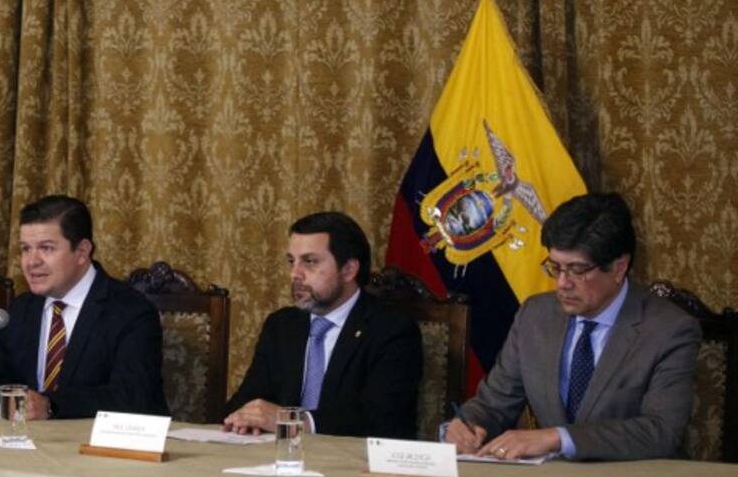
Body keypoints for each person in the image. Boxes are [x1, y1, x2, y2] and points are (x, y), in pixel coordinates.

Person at [445, 192, 701, 461]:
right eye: (555, 267)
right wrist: (469, 425)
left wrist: (558, 438)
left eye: (577, 270)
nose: (562, 284)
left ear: (619, 268)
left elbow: (660, 432)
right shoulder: (535, 316)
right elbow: (494, 404)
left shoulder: (669, 330)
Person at [0, 195, 167, 419]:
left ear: (82, 252)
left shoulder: (131, 312)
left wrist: (51, 406)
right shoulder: (20, 309)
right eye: (26, 249)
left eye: (46, 248)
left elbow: (131, 397)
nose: (32, 262)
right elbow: (2, 385)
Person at [223, 212, 423, 437]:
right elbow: (248, 399)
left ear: (348, 270)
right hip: (278, 454)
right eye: (291, 261)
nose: (294, 274)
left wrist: (295, 421)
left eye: (310, 261)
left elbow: (382, 418)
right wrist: (244, 418)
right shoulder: (281, 325)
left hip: (351, 457)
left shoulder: (391, 329)